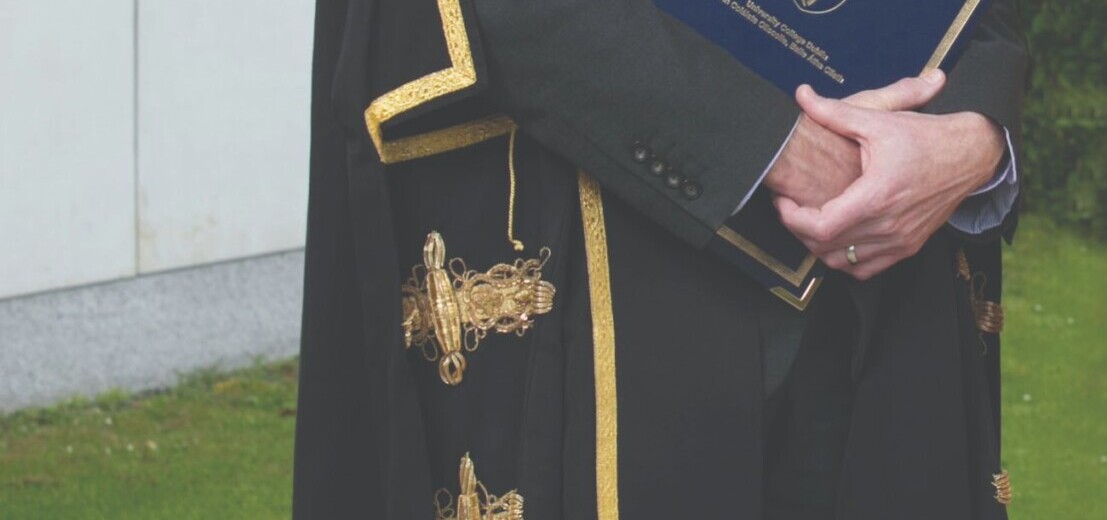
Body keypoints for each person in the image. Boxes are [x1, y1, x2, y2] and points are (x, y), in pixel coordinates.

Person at [292, 0, 1027, 518]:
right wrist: (773, 145)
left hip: (890, 321)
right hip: (610, 296)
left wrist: (974, 137)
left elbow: (980, 19)